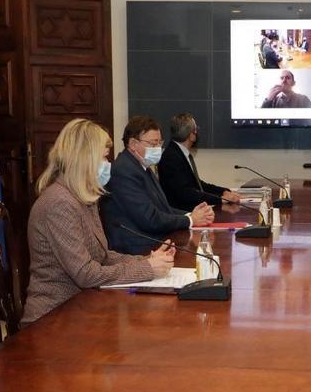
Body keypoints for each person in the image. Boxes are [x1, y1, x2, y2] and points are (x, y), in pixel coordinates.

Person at [23, 119, 175, 325]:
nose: (108, 165)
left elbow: (103, 256)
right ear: (84, 158)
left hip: (83, 307)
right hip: (54, 317)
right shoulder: (59, 202)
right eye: (104, 158)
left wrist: (146, 260)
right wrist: (147, 269)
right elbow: (85, 274)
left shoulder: (85, 196)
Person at [101, 116, 214, 255]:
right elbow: (150, 219)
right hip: (135, 250)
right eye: (153, 144)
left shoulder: (143, 166)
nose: (158, 148)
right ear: (133, 143)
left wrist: (192, 214)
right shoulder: (124, 170)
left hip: (153, 242)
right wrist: (190, 220)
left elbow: (162, 208)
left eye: (159, 143)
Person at [158, 113, 242, 210]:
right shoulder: (171, 157)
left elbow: (197, 184)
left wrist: (223, 192)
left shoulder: (178, 152)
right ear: (191, 135)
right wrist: (219, 199)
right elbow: (185, 193)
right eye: (196, 130)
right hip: (182, 214)